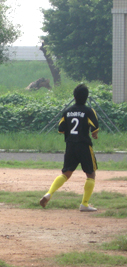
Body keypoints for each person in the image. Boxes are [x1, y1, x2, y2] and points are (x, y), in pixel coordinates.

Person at [40, 84, 99, 212]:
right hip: (84, 145)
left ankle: (49, 193)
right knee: (90, 174)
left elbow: (61, 129)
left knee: (66, 174)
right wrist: (94, 134)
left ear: (74, 97)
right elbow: (95, 128)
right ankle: (84, 204)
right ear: (86, 97)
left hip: (70, 145)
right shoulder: (89, 111)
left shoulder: (67, 111)